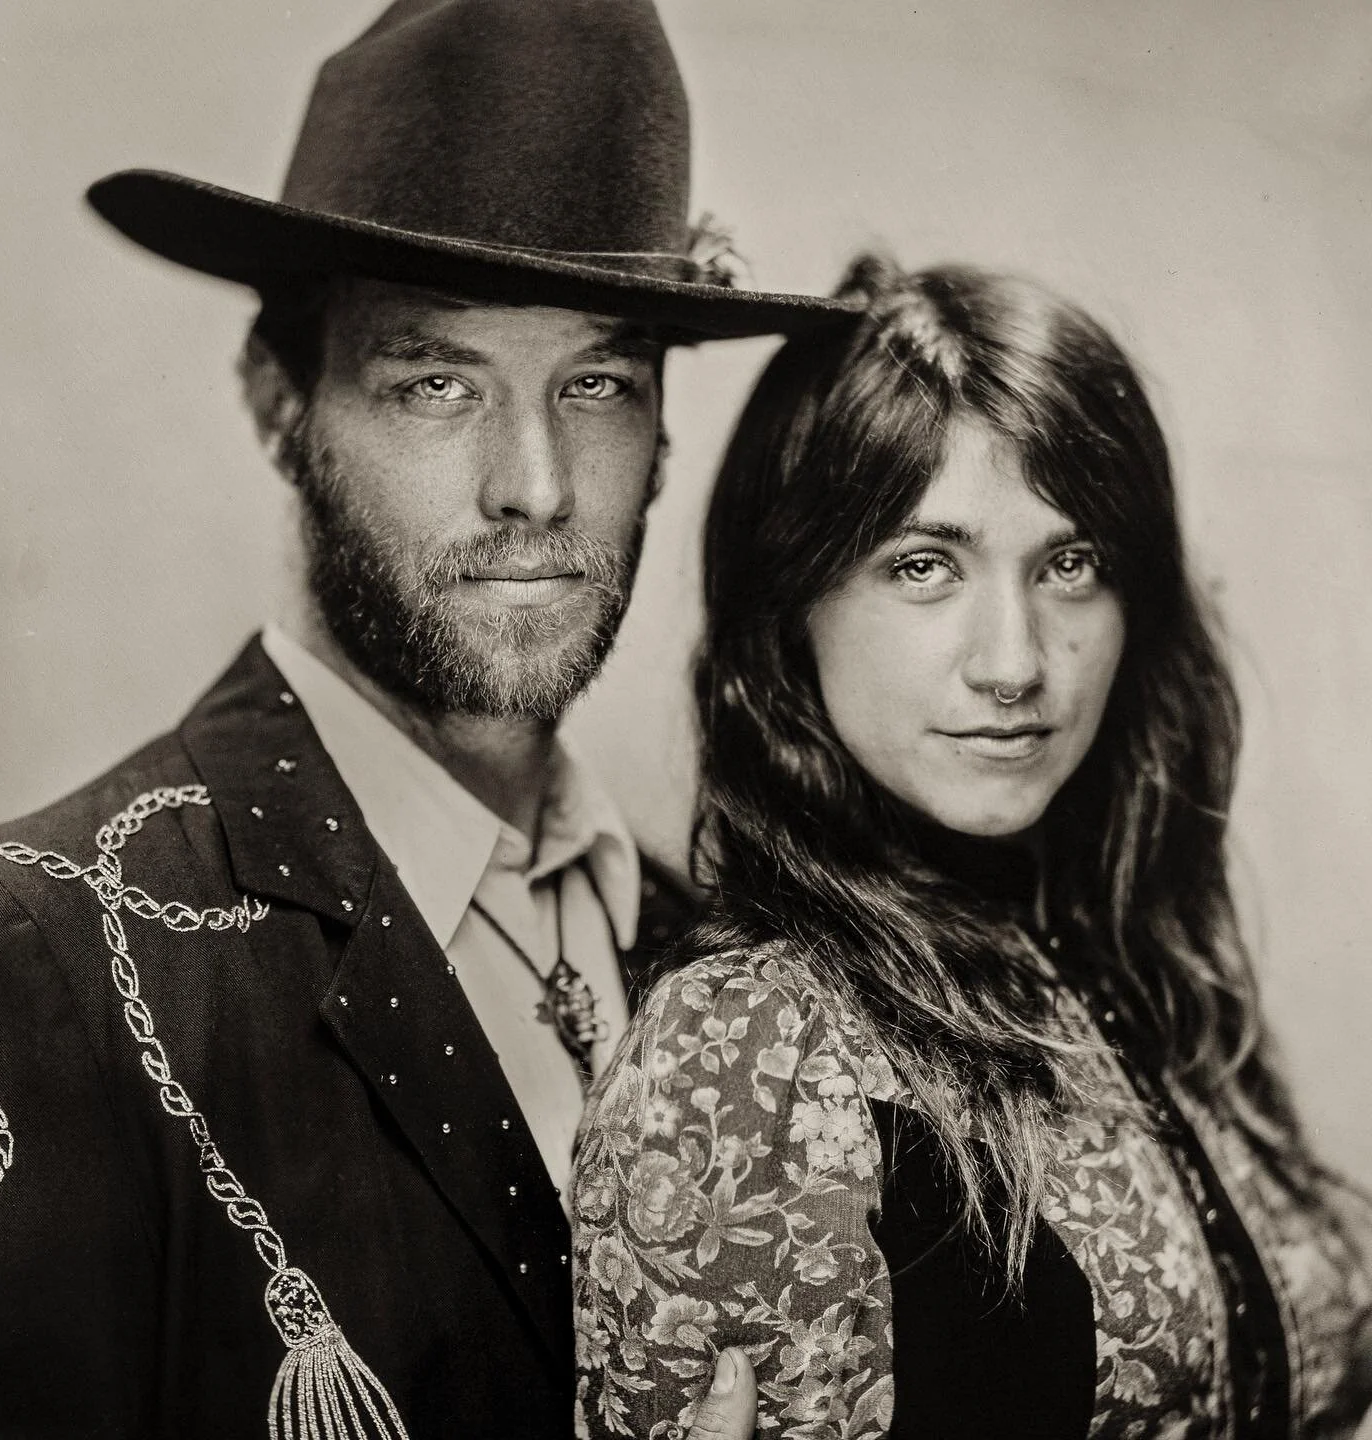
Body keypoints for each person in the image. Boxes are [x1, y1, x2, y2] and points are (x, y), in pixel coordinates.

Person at [0, 2, 851, 1436]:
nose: (535, 487)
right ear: (277, 401)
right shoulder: (26, 958)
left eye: (598, 382)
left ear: (666, 432)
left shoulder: (721, 962)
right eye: (436, 384)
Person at [571, 256, 1372, 1439]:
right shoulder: (751, 1041)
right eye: (923, 566)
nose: (1014, 662)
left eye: (1069, 563)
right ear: (793, 605)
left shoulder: (1127, 953)